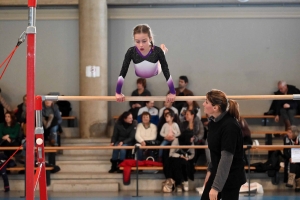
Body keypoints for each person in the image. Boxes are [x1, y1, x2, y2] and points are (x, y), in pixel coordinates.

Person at [201, 89, 246, 200]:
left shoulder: (230, 126)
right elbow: (215, 152)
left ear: (215, 107)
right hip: (218, 172)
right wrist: (210, 171)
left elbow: (226, 159)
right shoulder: (214, 122)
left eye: (206, 102)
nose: (203, 104)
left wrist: (216, 187)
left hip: (231, 176)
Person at [115, 24, 176, 103]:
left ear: (150, 39)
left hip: (156, 70)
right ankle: (162, 51)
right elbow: (123, 71)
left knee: (159, 59)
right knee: (157, 56)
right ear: (134, 40)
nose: (141, 45)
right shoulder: (131, 51)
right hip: (139, 73)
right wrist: (118, 92)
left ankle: (162, 51)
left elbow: (166, 71)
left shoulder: (156, 51)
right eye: (137, 41)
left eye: (144, 41)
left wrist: (172, 92)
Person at [163, 127, 195, 192]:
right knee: (176, 163)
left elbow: (192, 154)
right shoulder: (177, 140)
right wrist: (180, 156)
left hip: (186, 158)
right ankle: (178, 183)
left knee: (185, 163)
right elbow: (171, 153)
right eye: (191, 137)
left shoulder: (191, 143)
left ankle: (185, 181)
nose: (193, 138)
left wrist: (188, 157)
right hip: (176, 157)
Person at [283, 126, 300, 191]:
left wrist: (297, 158)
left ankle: (290, 180)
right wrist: (290, 157)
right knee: (293, 162)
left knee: (295, 162)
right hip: (291, 157)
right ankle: (298, 184)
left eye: (290, 132)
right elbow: (285, 150)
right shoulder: (286, 138)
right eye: (287, 132)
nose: (288, 134)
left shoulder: (299, 138)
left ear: (294, 133)